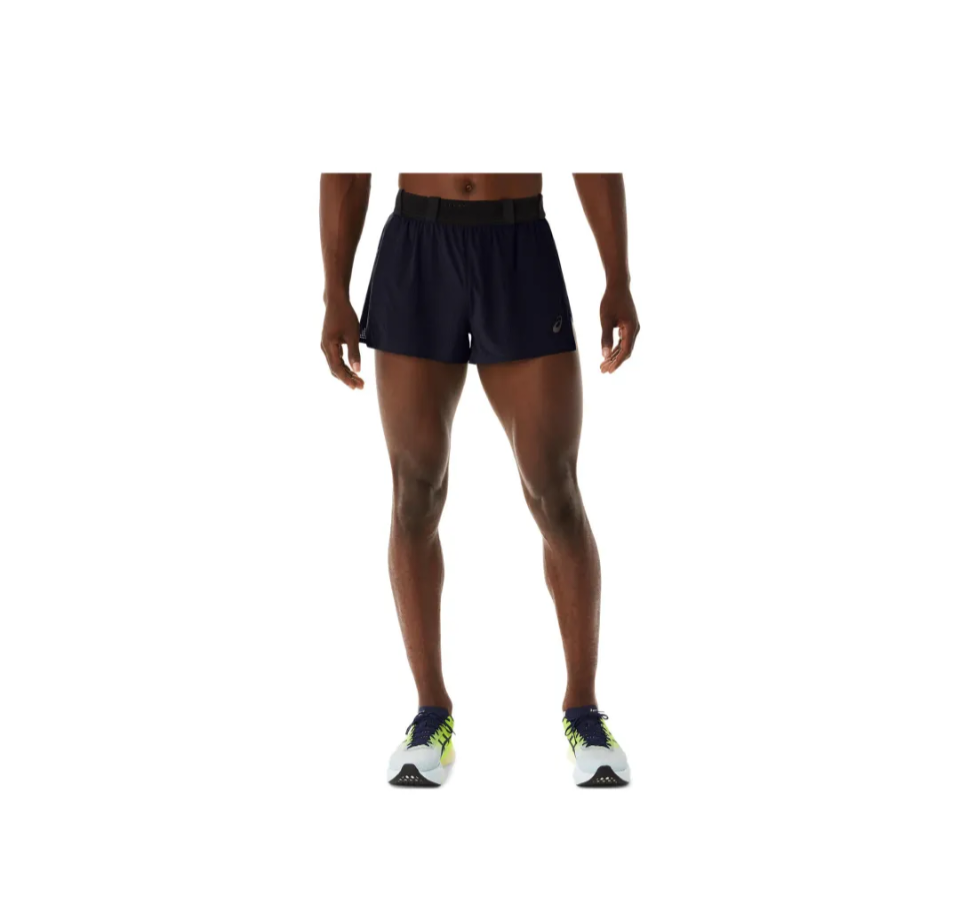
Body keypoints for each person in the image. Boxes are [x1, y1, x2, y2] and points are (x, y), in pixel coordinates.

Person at [319, 174, 639, 787]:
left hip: (518, 243)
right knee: (415, 492)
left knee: (554, 490)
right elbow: (348, 162)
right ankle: (430, 715)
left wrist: (617, 276)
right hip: (418, 247)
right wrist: (335, 289)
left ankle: (583, 712)